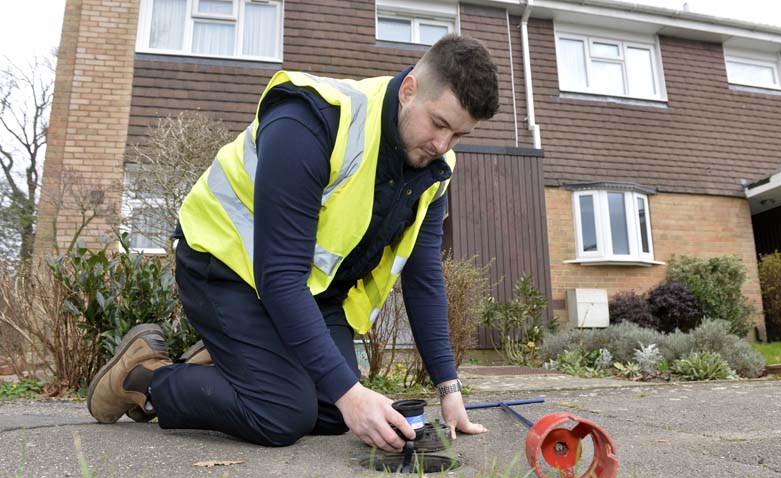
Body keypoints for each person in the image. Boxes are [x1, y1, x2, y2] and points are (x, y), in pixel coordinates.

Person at [86, 34, 500, 453]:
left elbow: (423, 275)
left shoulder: (435, 164)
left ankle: (239, 360)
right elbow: (279, 273)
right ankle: (144, 377)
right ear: (409, 90)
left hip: (310, 291)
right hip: (226, 266)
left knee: (336, 412)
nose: (442, 145)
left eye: (458, 135)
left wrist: (449, 390)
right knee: (283, 412)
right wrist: (352, 394)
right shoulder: (311, 120)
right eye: (439, 124)